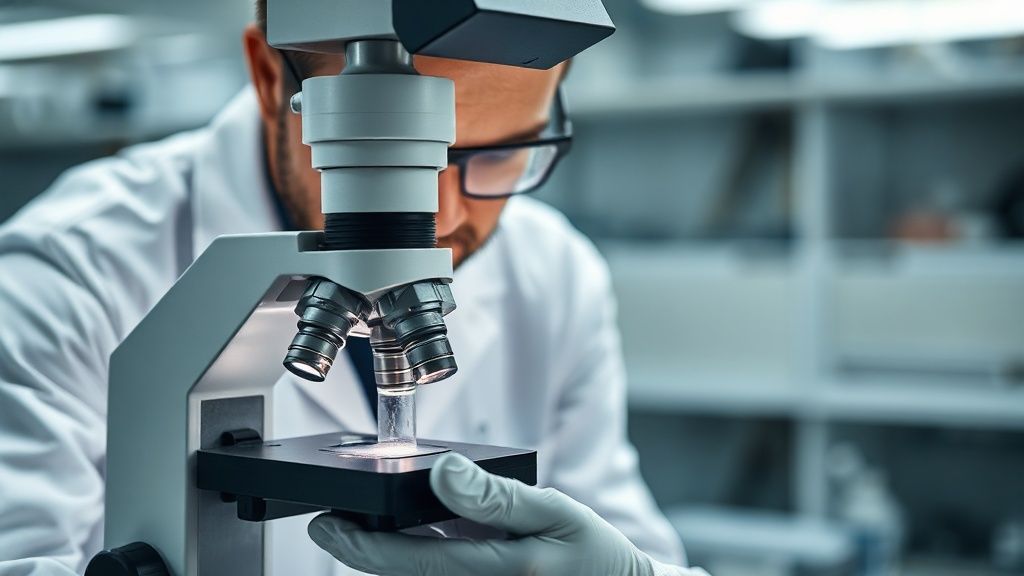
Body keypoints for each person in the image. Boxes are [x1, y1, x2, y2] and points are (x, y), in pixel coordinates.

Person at [0, 4, 704, 576]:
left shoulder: (553, 271)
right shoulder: (63, 274)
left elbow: (621, 532)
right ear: (272, 80)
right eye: (408, 159)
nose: (445, 218)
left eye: (499, 153)